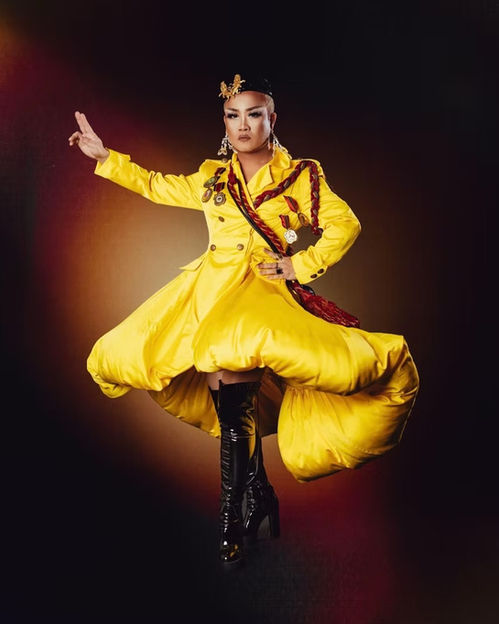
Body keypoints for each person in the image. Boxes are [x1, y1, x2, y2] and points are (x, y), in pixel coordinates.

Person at [68, 74, 420, 568]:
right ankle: (260, 497)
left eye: (254, 114)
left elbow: (345, 224)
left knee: (235, 398)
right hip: (208, 295)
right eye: (233, 115)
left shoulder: (301, 175)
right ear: (224, 122)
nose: (243, 125)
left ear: (271, 119)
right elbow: (157, 186)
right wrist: (106, 158)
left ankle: (231, 520)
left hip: (259, 297)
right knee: (230, 408)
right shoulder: (214, 176)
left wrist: (300, 265)